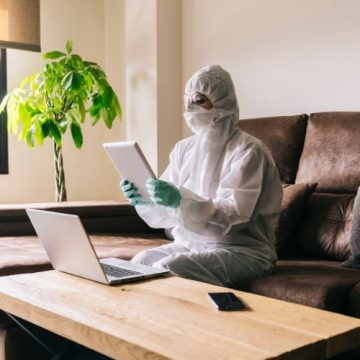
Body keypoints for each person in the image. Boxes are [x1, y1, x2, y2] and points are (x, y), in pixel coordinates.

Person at [120, 65, 283, 288]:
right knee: (139, 263)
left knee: (167, 269)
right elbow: (164, 216)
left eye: (198, 99)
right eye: (187, 99)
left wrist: (181, 199)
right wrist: (144, 199)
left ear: (221, 101)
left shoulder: (249, 151)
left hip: (243, 250)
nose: (189, 106)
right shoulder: (183, 149)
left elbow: (232, 217)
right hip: (190, 243)